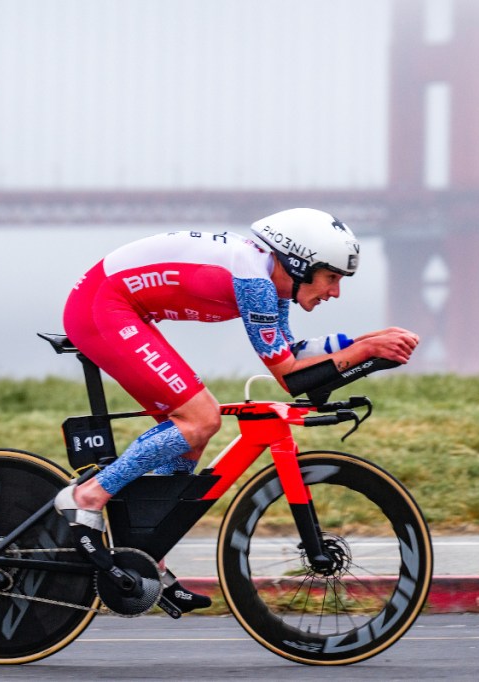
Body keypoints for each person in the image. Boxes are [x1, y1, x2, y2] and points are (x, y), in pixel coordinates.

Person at [53, 207, 420, 612]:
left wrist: (368, 340)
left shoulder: (273, 282)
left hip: (118, 306)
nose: (335, 292)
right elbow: (289, 375)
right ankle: (87, 496)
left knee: (188, 438)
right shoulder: (256, 283)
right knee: (200, 420)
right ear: (299, 265)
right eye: (331, 277)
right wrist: (365, 350)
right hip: (102, 307)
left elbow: (292, 351)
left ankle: (144, 550)